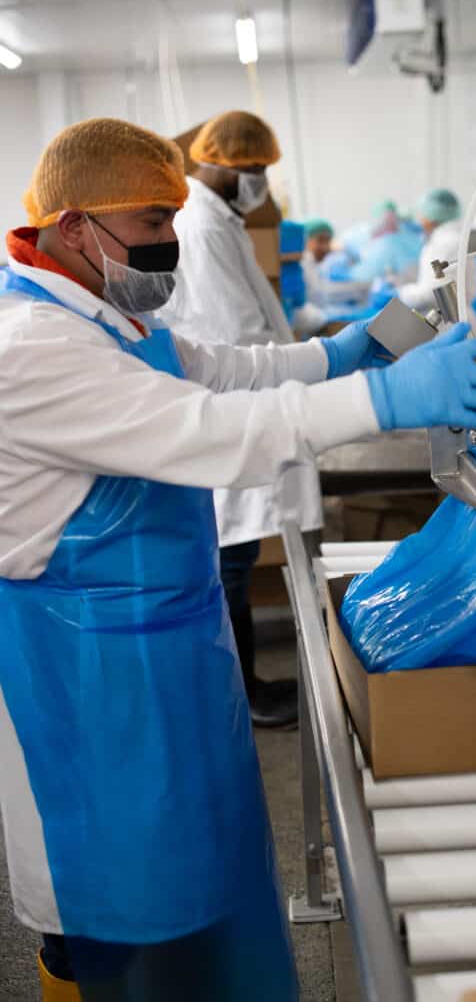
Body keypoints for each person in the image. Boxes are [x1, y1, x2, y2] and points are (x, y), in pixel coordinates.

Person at [0, 116, 476, 1002]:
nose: (169, 240)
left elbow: (225, 373)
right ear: (74, 226)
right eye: (149, 223)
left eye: (172, 218)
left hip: (161, 653)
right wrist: (385, 397)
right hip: (87, 686)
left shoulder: (106, 316)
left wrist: (342, 352)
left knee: (199, 895)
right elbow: (209, 431)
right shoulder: (33, 348)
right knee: (124, 920)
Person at [159, 111, 321, 728]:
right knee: (229, 559)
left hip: (241, 404)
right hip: (230, 407)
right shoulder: (201, 225)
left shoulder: (219, 220)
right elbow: (236, 331)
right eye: (254, 170)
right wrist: (318, 367)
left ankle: (244, 688)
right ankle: (241, 696)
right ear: (226, 165)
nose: (260, 182)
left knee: (236, 555)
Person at [399, 188, 469, 314]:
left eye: (422, 214)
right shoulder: (453, 238)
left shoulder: (442, 243)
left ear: (433, 215)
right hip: (456, 315)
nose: (419, 219)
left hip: (446, 321)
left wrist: (400, 293)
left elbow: (433, 292)